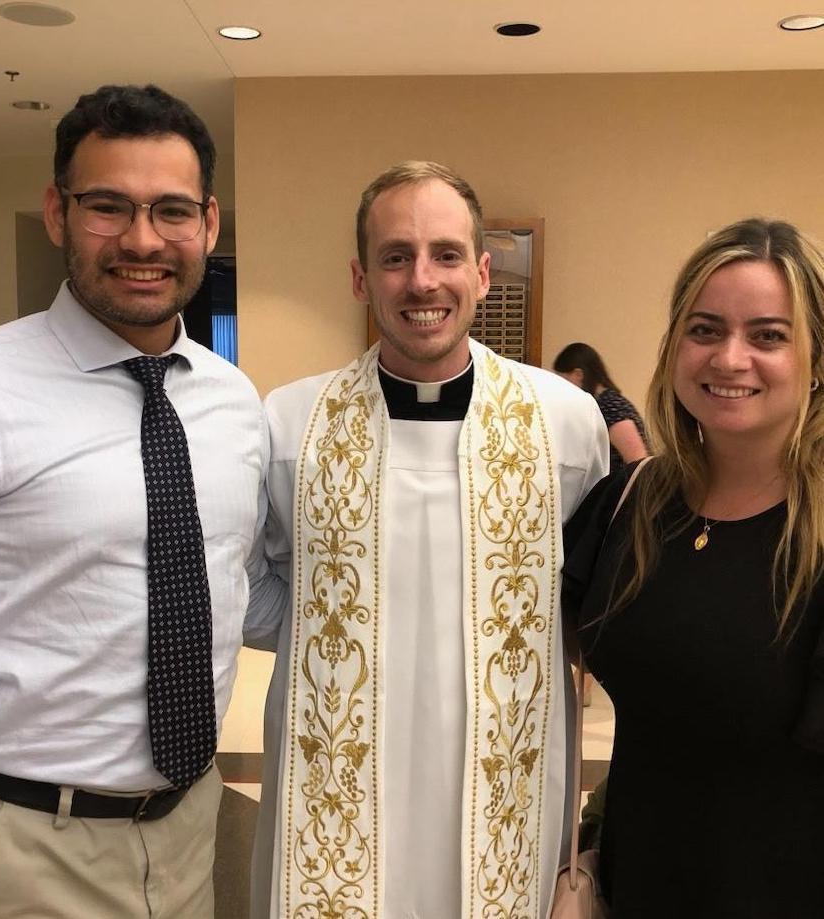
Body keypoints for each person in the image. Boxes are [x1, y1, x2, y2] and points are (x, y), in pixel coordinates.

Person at [0, 84, 282, 918]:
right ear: (57, 211)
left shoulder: (232, 401)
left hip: (190, 830)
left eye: (172, 211)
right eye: (108, 205)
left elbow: (235, 588)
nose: (142, 239)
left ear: (209, 224)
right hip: (19, 849)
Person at [248, 161, 609, 919]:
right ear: (359, 277)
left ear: (481, 273)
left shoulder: (564, 423)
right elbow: (249, 578)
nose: (422, 281)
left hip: (504, 780)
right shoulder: (291, 424)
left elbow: (592, 595)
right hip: (339, 779)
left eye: (445, 255)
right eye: (394, 256)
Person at [563, 218, 824, 917]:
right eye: (704, 329)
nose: (729, 358)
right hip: (639, 881)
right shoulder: (629, 503)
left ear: (815, 358)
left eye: (767, 335)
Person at [554, 342, 649, 473]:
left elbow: (638, 461)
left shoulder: (610, 405)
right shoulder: (599, 405)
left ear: (578, 375)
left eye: (562, 379)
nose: (559, 388)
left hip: (620, 490)